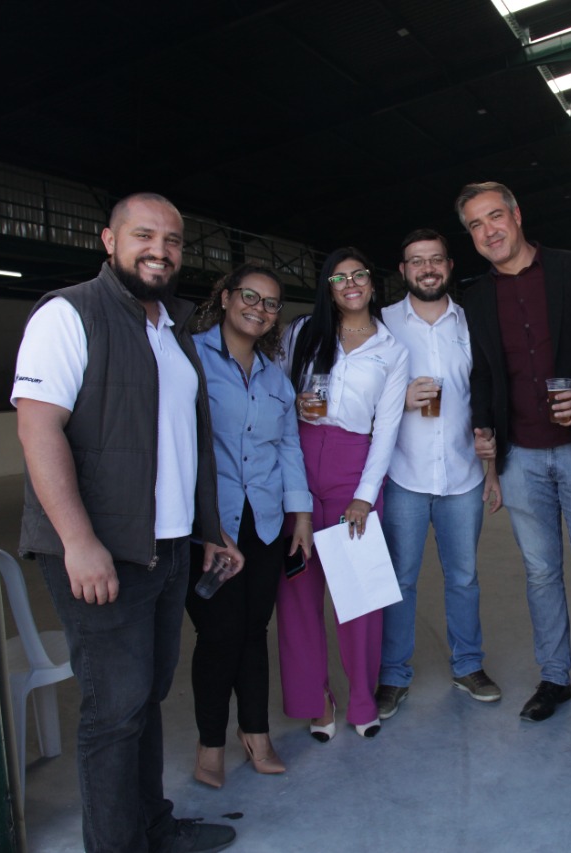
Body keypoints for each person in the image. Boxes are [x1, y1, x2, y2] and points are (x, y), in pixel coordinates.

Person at [11, 193, 240, 853]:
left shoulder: (172, 328)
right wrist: (79, 542)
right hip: (102, 551)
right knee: (113, 710)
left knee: (144, 697)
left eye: (172, 240)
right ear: (109, 240)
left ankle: (151, 826)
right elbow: (38, 428)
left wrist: (207, 530)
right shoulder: (68, 313)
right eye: (144, 236)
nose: (160, 251)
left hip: (167, 547)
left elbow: (183, 441)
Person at [458, 180, 571, 725]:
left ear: (516, 214)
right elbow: (482, 373)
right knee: (540, 574)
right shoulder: (474, 296)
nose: (488, 231)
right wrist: (483, 431)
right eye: (475, 225)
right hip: (522, 457)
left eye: (495, 216)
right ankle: (554, 677)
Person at [185, 264, 313, 787]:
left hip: (263, 524)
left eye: (271, 303)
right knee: (219, 633)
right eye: (250, 296)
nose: (259, 309)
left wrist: (300, 515)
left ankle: (256, 732)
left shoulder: (275, 378)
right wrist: (205, 524)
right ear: (225, 297)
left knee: (254, 631)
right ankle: (210, 742)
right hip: (208, 525)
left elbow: (289, 449)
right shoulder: (189, 359)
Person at [278, 247, 409, 740]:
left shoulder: (392, 349)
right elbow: (274, 392)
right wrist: (294, 402)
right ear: (328, 288)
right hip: (298, 459)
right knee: (297, 591)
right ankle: (315, 700)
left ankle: (361, 700)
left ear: (372, 283)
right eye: (339, 278)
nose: (350, 284)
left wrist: (365, 494)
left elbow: (387, 428)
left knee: (359, 594)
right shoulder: (301, 333)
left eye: (358, 275)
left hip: (354, 467)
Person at [374, 229, 504, 720]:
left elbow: (487, 393)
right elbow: (359, 391)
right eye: (416, 261)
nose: (427, 269)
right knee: (399, 581)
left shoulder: (471, 323)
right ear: (403, 270)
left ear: (449, 266)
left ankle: (468, 665)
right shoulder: (382, 324)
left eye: (435, 260)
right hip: (402, 474)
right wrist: (399, 398)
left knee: (464, 578)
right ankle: (393, 675)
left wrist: (492, 467)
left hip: (462, 474)